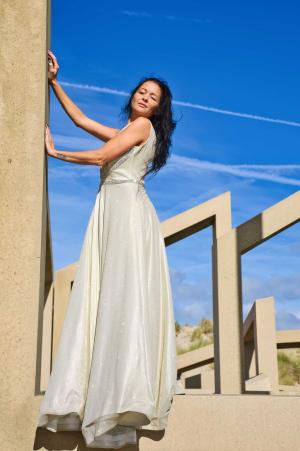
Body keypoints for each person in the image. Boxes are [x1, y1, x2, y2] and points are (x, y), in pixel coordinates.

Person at [37, 49, 178, 449]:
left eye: (154, 96)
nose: (146, 97)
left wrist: (56, 153)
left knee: (118, 295)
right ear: (133, 94)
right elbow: (81, 121)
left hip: (126, 214)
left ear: (159, 109)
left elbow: (100, 156)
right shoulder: (128, 129)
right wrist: (53, 82)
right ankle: (99, 394)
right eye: (142, 91)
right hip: (115, 209)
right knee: (109, 295)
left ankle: (117, 397)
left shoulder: (140, 129)